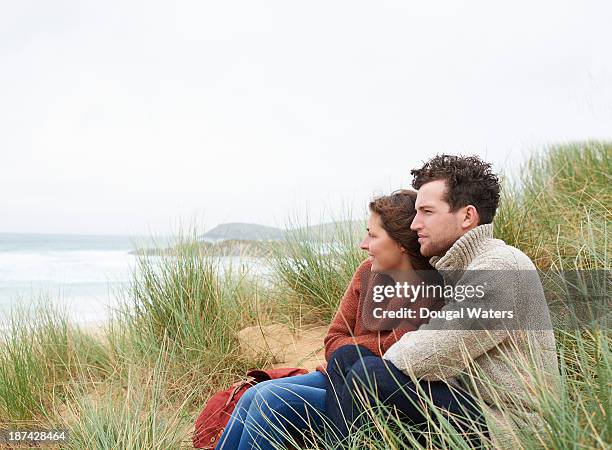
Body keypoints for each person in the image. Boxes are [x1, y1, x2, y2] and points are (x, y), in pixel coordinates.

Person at [327, 155, 560, 449]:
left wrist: (371, 365)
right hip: (470, 403)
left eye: (426, 211)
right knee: (347, 359)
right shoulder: (455, 269)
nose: (414, 224)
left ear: (467, 216)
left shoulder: (500, 267)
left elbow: (432, 353)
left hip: (512, 426)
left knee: (367, 374)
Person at [215, 190, 442, 450]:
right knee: (252, 395)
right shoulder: (367, 273)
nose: (363, 244)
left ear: (401, 243)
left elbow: (394, 353)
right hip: (336, 376)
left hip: (373, 399)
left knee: (271, 400)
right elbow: (334, 341)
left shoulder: (432, 290)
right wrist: (361, 349)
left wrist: (353, 348)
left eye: (373, 235)